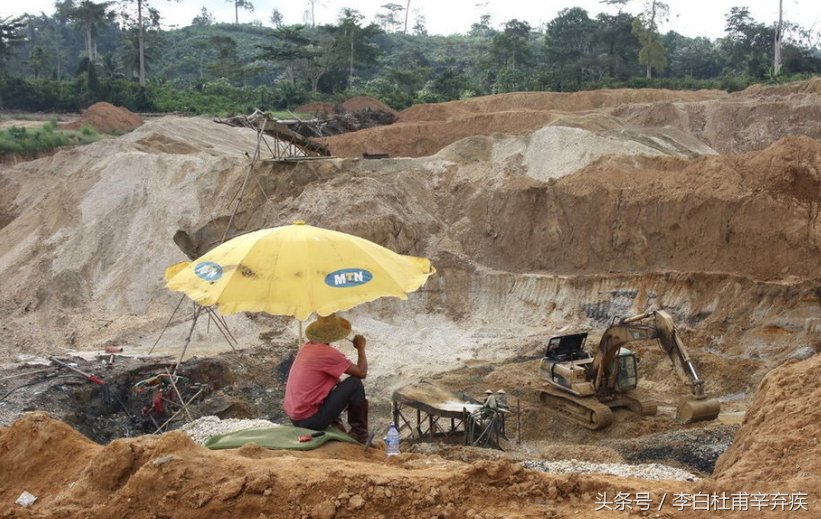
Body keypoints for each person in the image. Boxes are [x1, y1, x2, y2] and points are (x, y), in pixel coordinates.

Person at [283, 313, 370, 443]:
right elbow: (361, 372)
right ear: (334, 334)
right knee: (355, 384)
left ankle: (337, 425)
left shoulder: (306, 347)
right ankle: (360, 434)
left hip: (296, 417)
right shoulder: (327, 353)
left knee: (336, 386)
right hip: (309, 420)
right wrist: (361, 348)